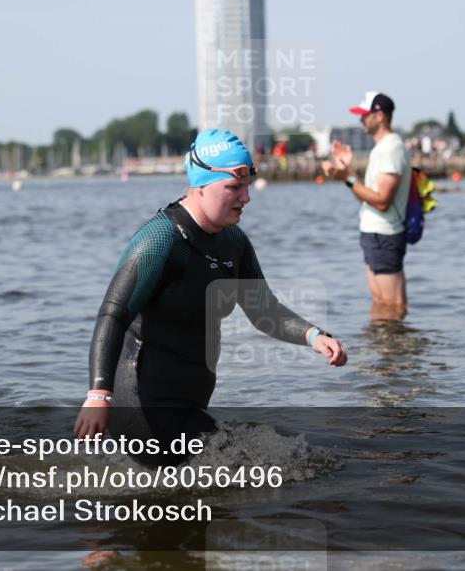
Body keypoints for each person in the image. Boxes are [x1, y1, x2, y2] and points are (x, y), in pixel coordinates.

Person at [74, 129, 347, 461]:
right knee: (277, 464)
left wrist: (315, 336)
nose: (246, 198)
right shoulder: (160, 240)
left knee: (271, 465)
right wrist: (99, 396)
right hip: (143, 406)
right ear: (200, 187)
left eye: (246, 186)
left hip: (189, 403)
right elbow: (112, 314)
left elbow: (263, 311)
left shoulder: (233, 241)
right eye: (234, 187)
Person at [321, 92, 412, 319]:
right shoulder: (381, 148)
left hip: (385, 235)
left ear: (379, 115)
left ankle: (395, 351)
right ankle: (381, 351)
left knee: (393, 304)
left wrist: (347, 177)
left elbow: (382, 201)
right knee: (381, 302)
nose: (361, 120)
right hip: (374, 234)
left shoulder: (391, 148)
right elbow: (367, 198)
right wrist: (348, 172)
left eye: (365, 115)